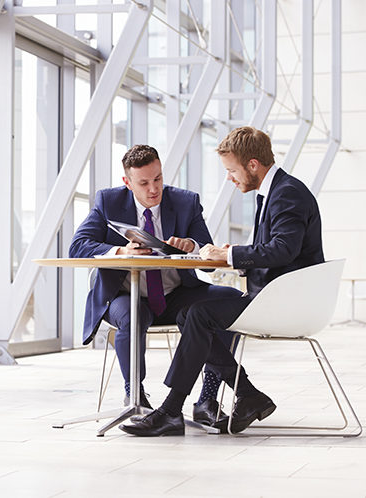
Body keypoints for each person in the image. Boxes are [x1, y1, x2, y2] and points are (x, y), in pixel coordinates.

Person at [120, 126, 325, 436]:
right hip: (279, 296)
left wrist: (230, 256)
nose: (230, 178)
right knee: (193, 313)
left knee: (199, 314)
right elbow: (277, 250)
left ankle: (172, 411)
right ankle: (246, 394)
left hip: (287, 302)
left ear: (252, 165)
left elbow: (283, 250)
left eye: (232, 170)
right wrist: (230, 255)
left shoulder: (287, 194)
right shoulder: (276, 191)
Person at [69, 144, 241, 419]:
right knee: (133, 315)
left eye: (158, 179)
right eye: (144, 182)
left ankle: (207, 398)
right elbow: (78, 247)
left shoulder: (186, 202)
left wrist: (192, 246)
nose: (153, 189)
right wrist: (122, 251)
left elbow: (208, 251)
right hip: (125, 296)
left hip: (176, 295)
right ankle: (134, 393)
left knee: (230, 302)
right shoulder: (108, 201)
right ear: (127, 182)